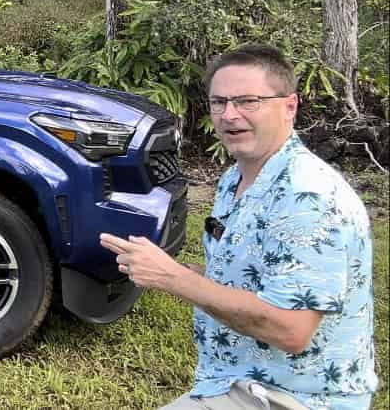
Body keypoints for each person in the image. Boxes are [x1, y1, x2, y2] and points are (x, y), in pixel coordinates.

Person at [100, 44, 377, 410]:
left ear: (289, 106)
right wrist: (172, 269)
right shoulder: (237, 179)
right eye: (219, 102)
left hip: (296, 397)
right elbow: (248, 278)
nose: (230, 115)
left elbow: (291, 329)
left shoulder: (308, 198)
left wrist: (173, 278)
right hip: (236, 380)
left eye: (249, 101)